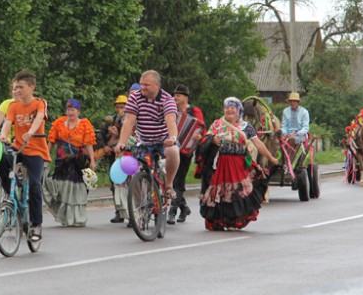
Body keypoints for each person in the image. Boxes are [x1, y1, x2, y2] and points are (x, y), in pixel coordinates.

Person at [199, 97, 279, 231]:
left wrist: (271, 157)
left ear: (238, 110)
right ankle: (218, 220)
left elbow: (257, 143)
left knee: (237, 193)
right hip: (221, 165)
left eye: (232, 107)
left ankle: (235, 220)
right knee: (221, 193)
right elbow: (206, 139)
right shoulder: (217, 125)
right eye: (227, 107)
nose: (229, 110)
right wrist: (213, 140)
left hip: (239, 165)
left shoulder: (246, 127)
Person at [0, 71, 49, 242]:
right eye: (16, 87)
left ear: (31, 87)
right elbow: (7, 123)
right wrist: (3, 135)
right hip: (18, 148)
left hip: (36, 151)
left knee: (34, 185)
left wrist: (31, 132)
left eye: (21, 87)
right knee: (0, 157)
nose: (17, 90)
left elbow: (40, 117)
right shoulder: (13, 106)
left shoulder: (39, 103)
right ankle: (10, 187)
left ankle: (36, 224)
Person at [115, 70, 179, 200]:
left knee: (173, 151)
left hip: (163, 140)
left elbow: (170, 120)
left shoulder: (167, 99)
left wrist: (172, 138)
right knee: (134, 173)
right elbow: (129, 121)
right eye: (141, 84)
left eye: (146, 85)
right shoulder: (135, 97)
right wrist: (122, 141)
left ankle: (169, 185)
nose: (142, 87)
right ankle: (141, 207)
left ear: (157, 85)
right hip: (143, 142)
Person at [43, 99, 96, 227]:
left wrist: (92, 161)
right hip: (61, 162)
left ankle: (77, 218)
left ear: (78, 111)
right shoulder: (59, 123)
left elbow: (88, 144)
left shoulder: (84, 124)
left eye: (73, 110)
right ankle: (65, 217)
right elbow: (51, 141)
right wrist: (45, 155)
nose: (70, 112)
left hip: (77, 163)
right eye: (69, 110)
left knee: (75, 189)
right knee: (62, 189)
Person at [168, 84, 204, 225]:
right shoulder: (171, 111)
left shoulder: (194, 111)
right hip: (171, 149)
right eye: (174, 95)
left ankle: (172, 211)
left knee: (178, 181)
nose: (175, 97)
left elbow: (201, 128)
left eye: (178, 95)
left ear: (186, 97)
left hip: (185, 150)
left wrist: (197, 136)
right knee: (170, 180)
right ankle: (184, 207)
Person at [97, 94, 129, 223]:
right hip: (112, 155)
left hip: (127, 154)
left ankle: (130, 211)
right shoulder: (111, 120)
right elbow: (100, 133)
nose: (120, 109)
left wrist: (119, 134)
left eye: (122, 106)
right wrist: (104, 146)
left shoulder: (130, 119)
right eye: (118, 107)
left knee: (127, 184)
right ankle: (119, 211)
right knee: (114, 183)